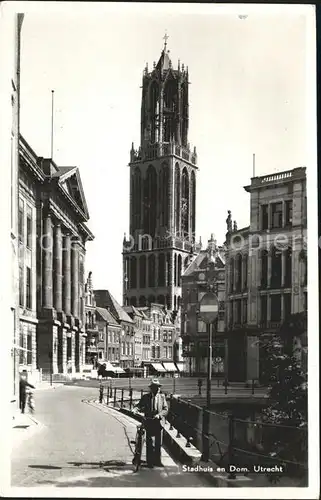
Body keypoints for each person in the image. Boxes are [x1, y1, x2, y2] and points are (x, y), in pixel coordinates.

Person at [133, 379, 168, 468]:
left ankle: (158, 461)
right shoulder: (146, 397)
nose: (157, 389)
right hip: (149, 422)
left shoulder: (162, 397)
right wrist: (135, 409)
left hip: (159, 422)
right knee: (149, 442)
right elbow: (139, 406)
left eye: (158, 387)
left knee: (158, 443)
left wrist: (159, 415)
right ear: (151, 388)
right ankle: (150, 462)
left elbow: (165, 409)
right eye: (155, 387)